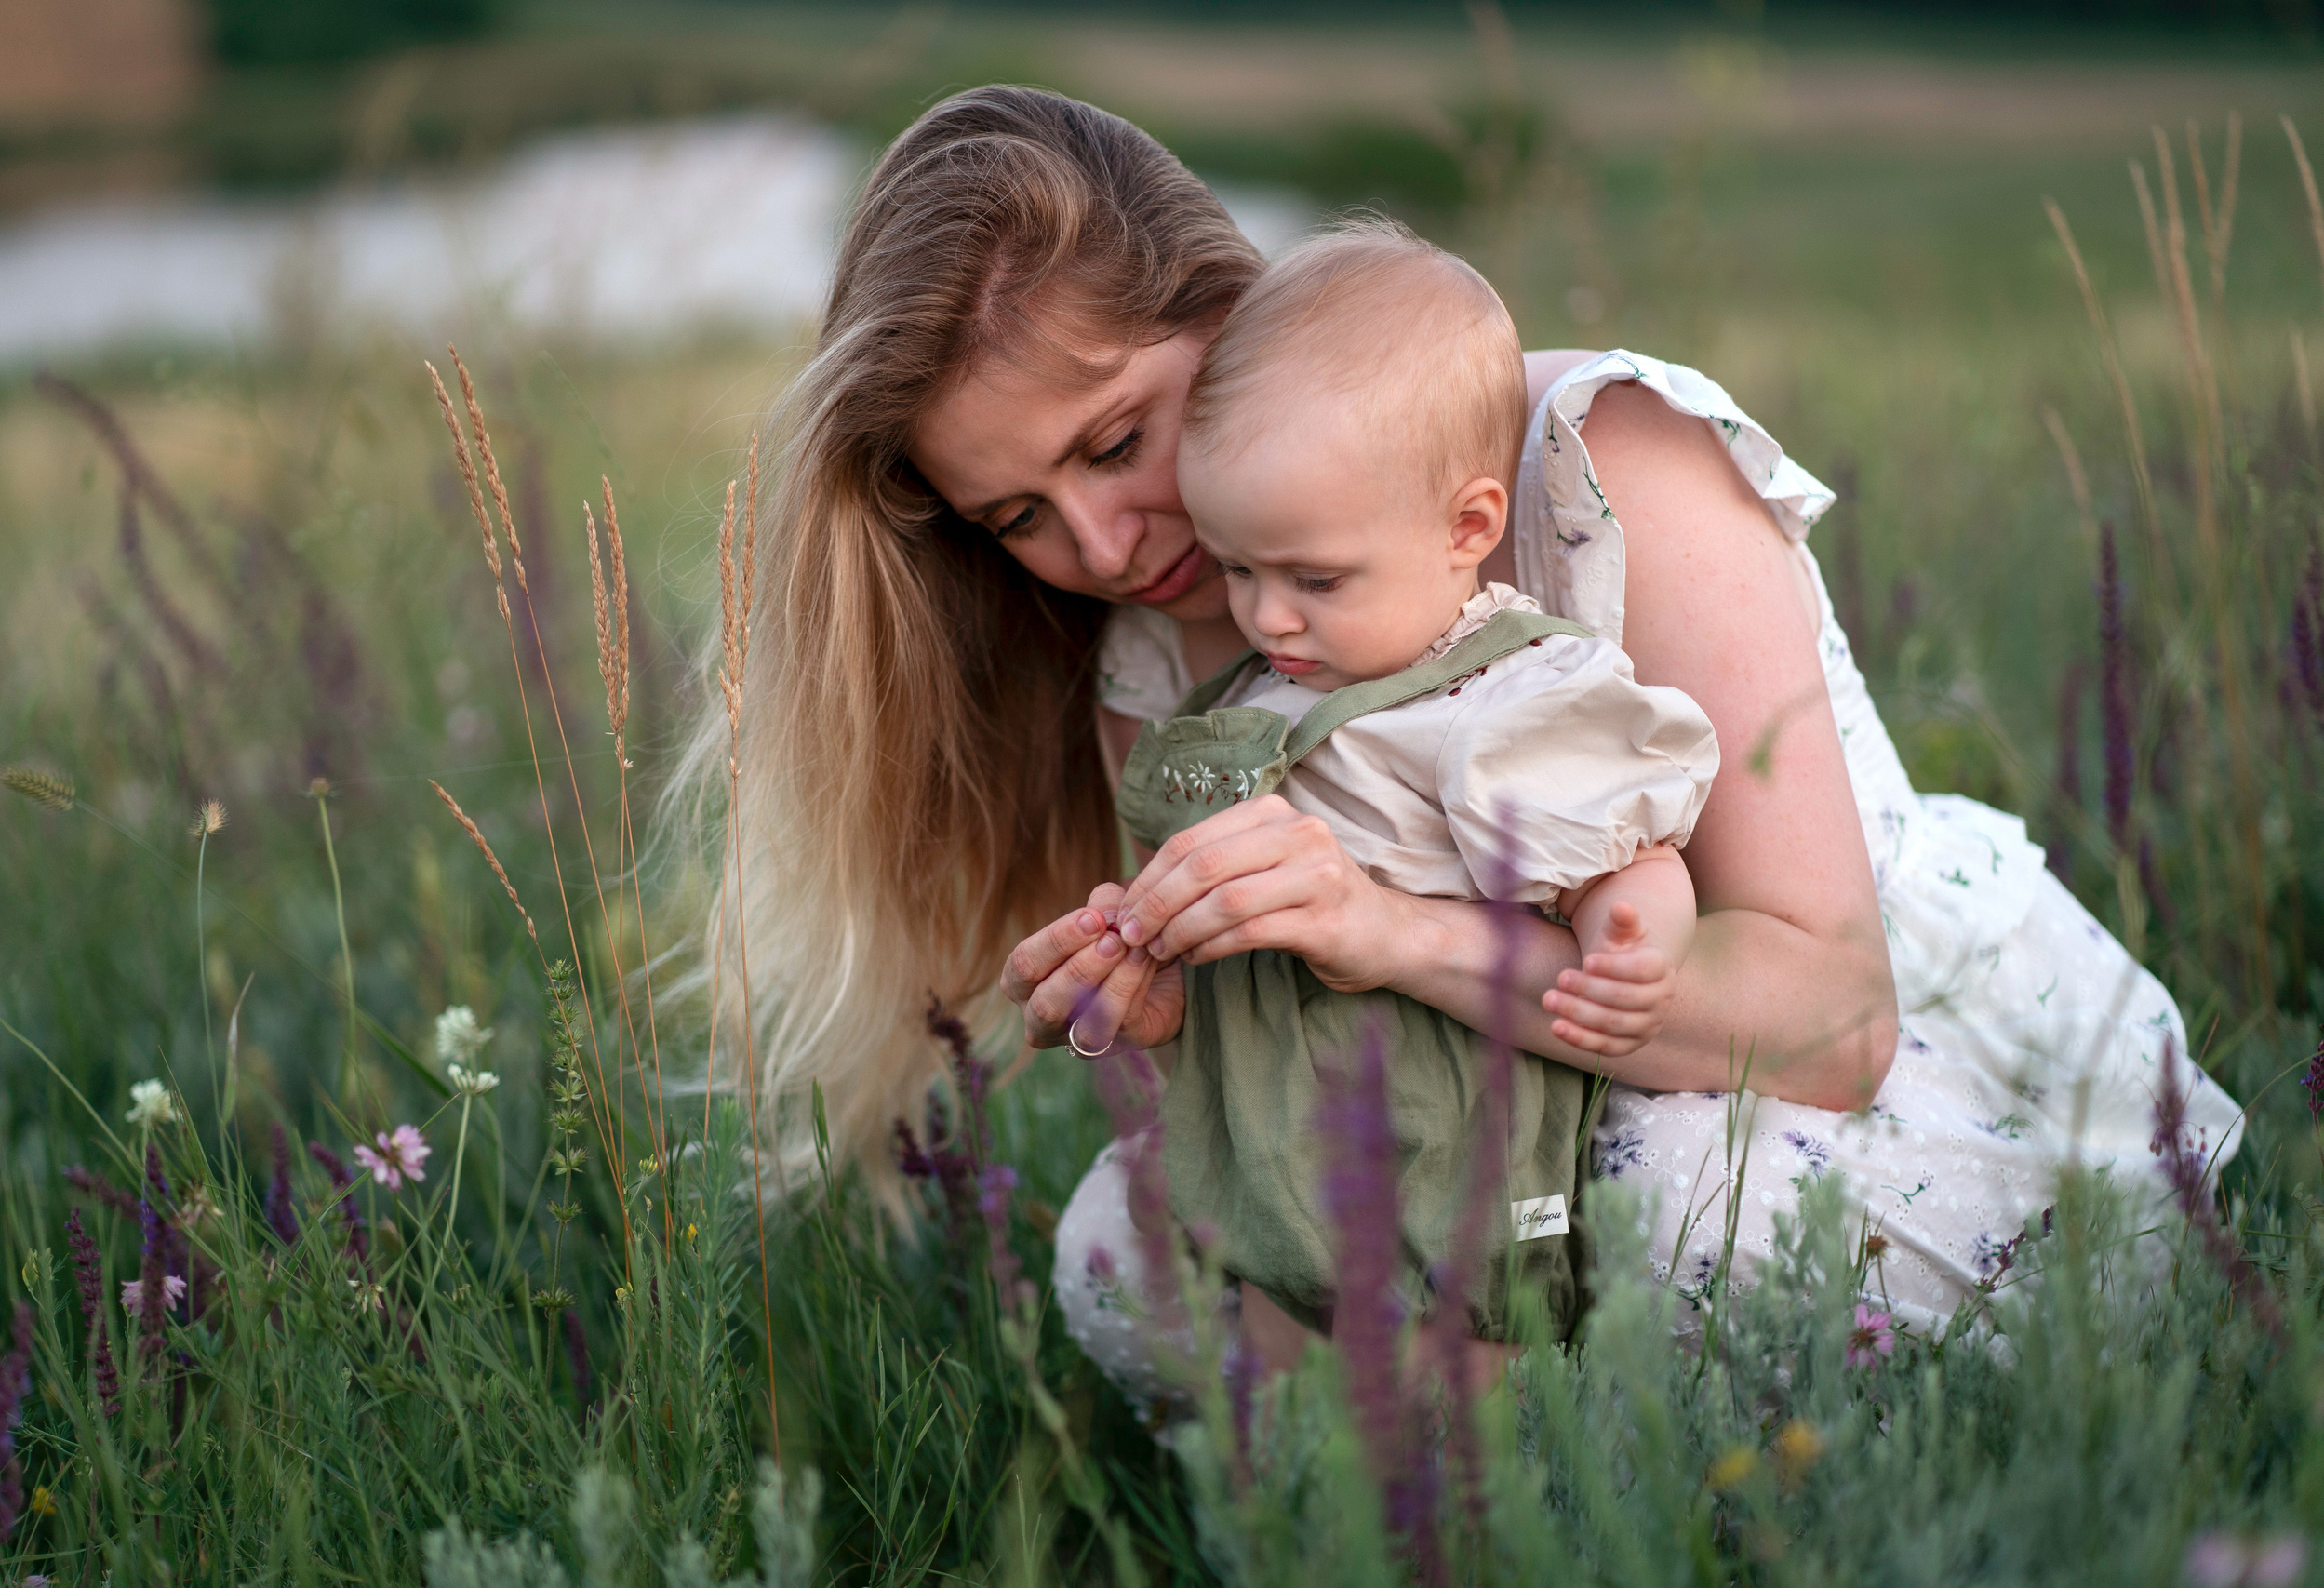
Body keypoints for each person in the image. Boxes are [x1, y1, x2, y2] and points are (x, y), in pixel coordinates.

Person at [688, 86, 2243, 1408]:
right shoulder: (1151, 657)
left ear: (1226, 304)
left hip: (1821, 1073)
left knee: (1647, 1225)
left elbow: (1830, 1024)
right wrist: (1192, 1013)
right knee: (1123, 1246)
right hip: (1486, 1130)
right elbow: (1307, 1100)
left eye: (1116, 438)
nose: (1100, 541)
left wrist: (1389, 935)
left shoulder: (1592, 463)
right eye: (1015, 514)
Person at [1108, 220, 1717, 1343]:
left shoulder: (1505, 701)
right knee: (1284, 1355)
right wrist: (1147, 941)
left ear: (1467, 528)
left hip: (1451, 1116)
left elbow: (1626, 862)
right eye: (1238, 567)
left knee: (1455, 1376)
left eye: (1313, 577)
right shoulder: (1272, 690)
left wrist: (1636, 941)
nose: (1265, 614)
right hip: (1281, 1116)